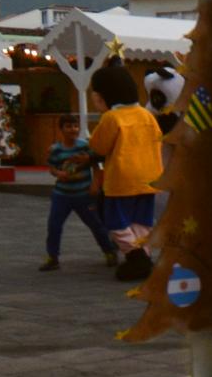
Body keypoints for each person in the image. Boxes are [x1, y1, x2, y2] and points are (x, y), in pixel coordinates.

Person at [87, 61, 164, 282]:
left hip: (122, 178)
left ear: (103, 96)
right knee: (142, 220)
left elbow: (98, 146)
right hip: (149, 176)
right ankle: (144, 256)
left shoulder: (112, 118)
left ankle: (136, 256)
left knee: (116, 221)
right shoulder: (146, 114)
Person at [40, 119, 112, 270]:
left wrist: (95, 184)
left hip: (84, 194)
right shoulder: (55, 149)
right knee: (54, 225)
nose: (73, 129)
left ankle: (109, 252)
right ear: (61, 129)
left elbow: (97, 165)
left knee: (96, 225)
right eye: (68, 126)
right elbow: (52, 167)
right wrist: (58, 173)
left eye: (75, 126)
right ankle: (52, 257)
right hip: (61, 195)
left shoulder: (85, 146)